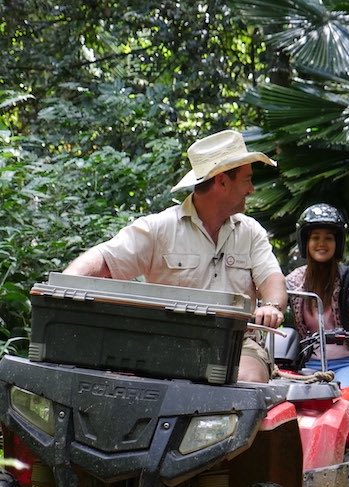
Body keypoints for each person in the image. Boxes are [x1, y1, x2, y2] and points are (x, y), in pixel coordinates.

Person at [63, 129, 286, 383]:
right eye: (247, 179)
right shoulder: (159, 228)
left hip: (239, 343)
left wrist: (272, 306)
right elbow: (105, 258)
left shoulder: (250, 231)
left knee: (247, 378)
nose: (252, 189)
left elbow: (272, 278)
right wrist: (67, 283)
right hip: (168, 342)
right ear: (222, 181)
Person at [285, 203, 349, 387]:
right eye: (315, 237)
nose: (322, 243)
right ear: (306, 243)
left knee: (343, 399)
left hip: (347, 364)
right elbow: (274, 301)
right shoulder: (293, 281)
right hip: (308, 367)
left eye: (328, 238)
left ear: (337, 243)